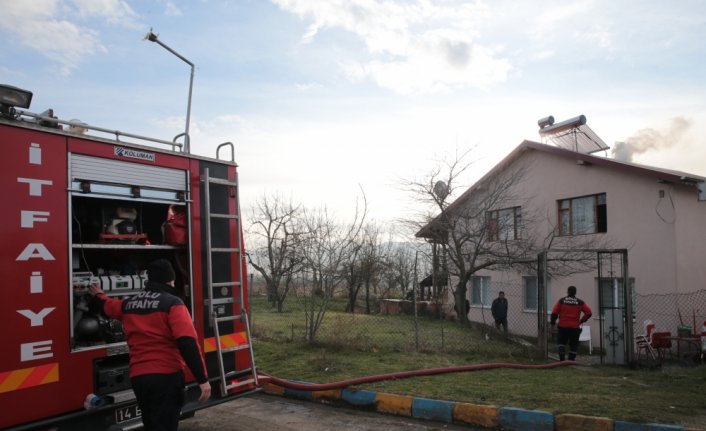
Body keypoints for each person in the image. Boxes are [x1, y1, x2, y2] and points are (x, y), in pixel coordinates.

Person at [89, 259, 211, 430]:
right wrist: (202, 379)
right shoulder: (173, 304)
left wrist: (98, 295)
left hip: (139, 379)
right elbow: (187, 342)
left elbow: (107, 306)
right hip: (166, 377)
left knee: (151, 424)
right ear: (169, 280)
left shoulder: (129, 304)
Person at [550, 285, 592, 361]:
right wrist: (581, 320)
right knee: (573, 345)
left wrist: (552, 323)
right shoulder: (580, 302)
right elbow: (589, 313)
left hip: (563, 326)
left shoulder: (561, 301)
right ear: (575, 292)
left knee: (561, 343)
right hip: (574, 327)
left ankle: (562, 360)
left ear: (568, 292)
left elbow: (554, 313)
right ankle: (571, 361)